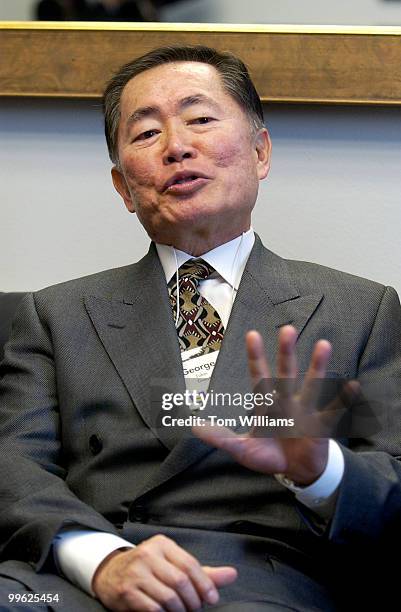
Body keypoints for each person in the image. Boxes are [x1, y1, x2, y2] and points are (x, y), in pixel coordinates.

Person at [0, 45, 401, 612]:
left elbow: (393, 488)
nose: (177, 146)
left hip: (257, 582)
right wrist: (101, 559)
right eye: (145, 134)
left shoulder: (360, 310)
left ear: (260, 152)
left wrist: (320, 469)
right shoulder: (56, 315)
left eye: (200, 119)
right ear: (123, 187)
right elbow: (12, 468)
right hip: (78, 578)